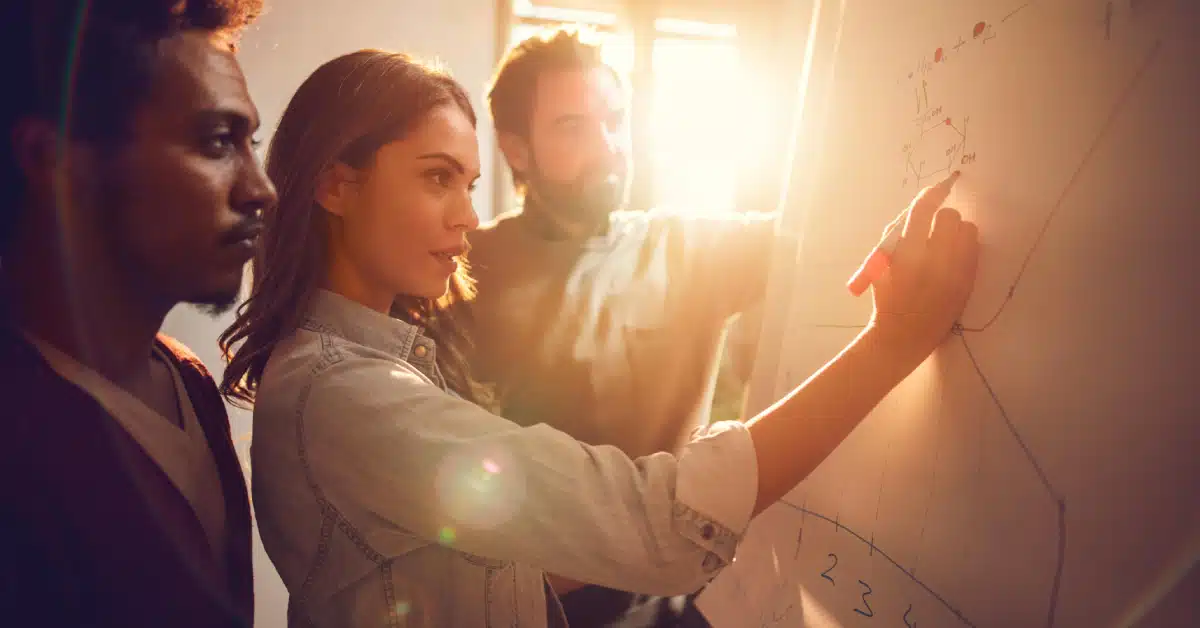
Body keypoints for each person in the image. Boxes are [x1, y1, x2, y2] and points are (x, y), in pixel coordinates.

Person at [218, 48, 977, 628]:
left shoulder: (378, 359)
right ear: (336, 184)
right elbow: (653, 522)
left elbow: (467, 562)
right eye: (436, 178)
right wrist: (892, 343)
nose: (466, 217)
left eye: (467, 184)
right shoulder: (346, 392)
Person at [460, 27, 776, 624]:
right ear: (517, 149)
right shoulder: (464, 267)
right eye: (572, 126)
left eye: (614, 119)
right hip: (525, 603)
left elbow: (828, 231)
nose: (607, 144)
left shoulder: (693, 245)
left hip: (673, 597)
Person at [0, 0, 275, 625]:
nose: (260, 187)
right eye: (217, 141)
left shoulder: (189, 382)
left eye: (249, 142)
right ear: (57, 163)